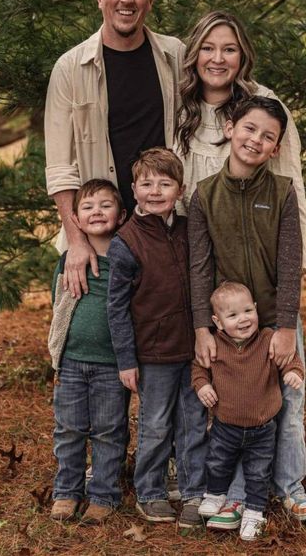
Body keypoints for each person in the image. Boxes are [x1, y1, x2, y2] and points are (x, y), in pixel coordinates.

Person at [176, 12, 306, 524]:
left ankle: (291, 486)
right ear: (230, 130)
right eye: (248, 131)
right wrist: (202, 325)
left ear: (276, 145)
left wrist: (286, 325)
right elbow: (199, 266)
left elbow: (288, 257)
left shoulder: (279, 192)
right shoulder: (204, 195)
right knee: (236, 403)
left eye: (267, 136)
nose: (255, 140)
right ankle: (235, 494)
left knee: (287, 397)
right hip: (228, 315)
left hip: (275, 313)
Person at [45, 0, 184, 299]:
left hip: (165, 228)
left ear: (150, 0)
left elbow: (221, 88)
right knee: (99, 343)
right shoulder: (70, 68)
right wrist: (76, 241)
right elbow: (60, 165)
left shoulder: (176, 57)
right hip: (100, 237)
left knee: (165, 337)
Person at [107, 148, 207, 528]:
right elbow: (116, 309)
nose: (155, 190)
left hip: (193, 348)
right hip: (151, 353)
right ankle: (150, 491)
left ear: (179, 191)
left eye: (164, 183)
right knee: (155, 425)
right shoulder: (126, 242)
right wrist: (126, 360)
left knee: (194, 422)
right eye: (146, 183)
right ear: (134, 190)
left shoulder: (187, 231)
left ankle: (194, 489)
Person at [193, 281, 305, 541]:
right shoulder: (215, 344)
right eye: (232, 315)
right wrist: (202, 386)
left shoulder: (267, 339)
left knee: (258, 472)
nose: (242, 319)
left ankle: (254, 512)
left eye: (247, 311)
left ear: (256, 309)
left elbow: (290, 360)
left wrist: (293, 374)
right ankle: (216, 494)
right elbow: (198, 368)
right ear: (217, 322)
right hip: (226, 426)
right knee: (218, 463)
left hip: (263, 428)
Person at [48, 179, 128, 524]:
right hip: (72, 361)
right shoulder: (70, 259)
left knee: (110, 431)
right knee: (69, 429)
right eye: (88, 207)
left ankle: (104, 495)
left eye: (106, 205)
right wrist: (58, 353)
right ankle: (67, 491)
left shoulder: (128, 261)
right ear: (76, 219)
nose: (97, 212)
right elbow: (59, 305)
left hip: (112, 364)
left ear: (122, 215)